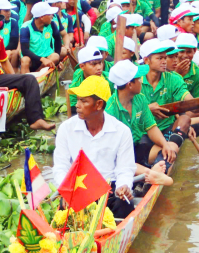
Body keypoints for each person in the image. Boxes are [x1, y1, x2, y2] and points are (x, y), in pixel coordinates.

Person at [53, 76, 136, 218]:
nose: (77, 105)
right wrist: (67, 191)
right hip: (78, 189)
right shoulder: (66, 129)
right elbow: (61, 167)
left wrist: (124, 186)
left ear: (98, 105)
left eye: (83, 101)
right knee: (64, 213)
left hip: (109, 190)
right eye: (78, 99)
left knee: (125, 206)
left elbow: (125, 169)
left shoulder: (122, 131)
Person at [107, 59, 182, 170]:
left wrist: (165, 145)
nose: (141, 81)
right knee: (158, 168)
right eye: (138, 79)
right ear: (130, 85)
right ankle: (150, 174)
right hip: (120, 156)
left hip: (137, 147)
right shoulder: (110, 110)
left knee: (171, 149)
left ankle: (152, 171)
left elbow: (151, 126)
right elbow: (112, 150)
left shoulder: (140, 98)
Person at [139, 39, 199, 139]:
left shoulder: (174, 79)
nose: (164, 62)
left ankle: (175, 137)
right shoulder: (135, 80)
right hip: (142, 130)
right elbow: (126, 112)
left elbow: (191, 103)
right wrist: (147, 110)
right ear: (146, 60)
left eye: (165, 57)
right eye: (160, 58)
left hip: (166, 128)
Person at [20, 1, 62, 74]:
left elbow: (58, 40)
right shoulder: (25, 27)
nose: (52, 16)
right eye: (49, 14)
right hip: (32, 59)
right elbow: (24, 51)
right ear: (42, 17)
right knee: (24, 60)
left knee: (55, 56)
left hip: (47, 57)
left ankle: (38, 73)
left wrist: (58, 61)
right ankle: (24, 80)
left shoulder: (51, 24)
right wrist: (42, 59)